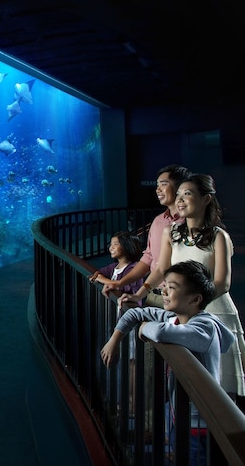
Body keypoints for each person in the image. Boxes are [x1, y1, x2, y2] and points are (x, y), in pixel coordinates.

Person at [121, 173, 245, 398]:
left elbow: (222, 282)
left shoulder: (219, 236)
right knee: (186, 376)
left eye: (187, 194)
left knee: (221, 383)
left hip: (214, 309)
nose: (180, 200)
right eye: (178, 195)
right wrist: (138, 294)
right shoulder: (171, 233)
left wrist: (193, 306)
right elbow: (160, 269)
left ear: (206, 199)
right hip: (185, 310)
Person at [102, 260, 233, 465]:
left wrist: (144, 328)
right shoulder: (176, 317)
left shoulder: (204, 328)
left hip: (199, 424)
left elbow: (160, 331)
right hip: (179, 417)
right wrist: (115, 339)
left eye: (171, 287)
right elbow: (136, 312)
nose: (162, 290)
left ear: (195, 299)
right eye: (165, 285)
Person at [103, 164, 191, 308]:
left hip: (180, 298)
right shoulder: (158, 222)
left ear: (181, 187)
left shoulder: (190, 223)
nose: (158, 190)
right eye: (157, 185)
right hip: (153, 295)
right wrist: (120, 283)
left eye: (164, 184)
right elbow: (148, 259)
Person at [89, 231, 144, 307]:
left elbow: (126, 288)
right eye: (111, 244)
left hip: (129, 309)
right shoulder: (114, 266)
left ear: (127, 246)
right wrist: (96, 276)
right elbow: (99, 273)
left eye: (116, 244)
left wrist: (104, 280)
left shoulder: (133, 268)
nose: (111, 247)